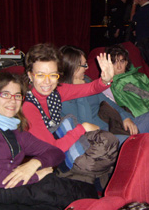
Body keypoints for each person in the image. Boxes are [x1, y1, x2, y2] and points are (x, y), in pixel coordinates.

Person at [0, 72, 97, 209]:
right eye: (5, 94)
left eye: (17, 96)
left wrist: (34, 164)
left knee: (59, 192)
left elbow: (56, 152)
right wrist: (34, 176)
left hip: (15, 189)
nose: (12, 101)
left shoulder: (16, 131)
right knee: (52, 188)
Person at [22, 43, 116, 175]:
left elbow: (91, 88)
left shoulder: (55, 91)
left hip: (54, 152)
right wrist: (82, 128)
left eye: (53, 75)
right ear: (30, 76)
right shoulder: (28, 107)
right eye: (41, 75)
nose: (47, 82)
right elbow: (52, 149)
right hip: (36, 164)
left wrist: (105, 80)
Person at [59, 45, 149, 145]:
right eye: (84, 65)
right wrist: (79, 92)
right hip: (102, 137)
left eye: (122, 61)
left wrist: (125, 117)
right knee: (137, 143)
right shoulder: (63, 98)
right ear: (73, 67)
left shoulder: (86, 80)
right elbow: (87, 126)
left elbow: (107, 101)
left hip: (115, 124)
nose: (87, 67)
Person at [105, 44, 149, 119]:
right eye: (114, 62)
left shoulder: (140, 76)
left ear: (126, 62)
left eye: (121, 61)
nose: (119, 66)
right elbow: (139, 110)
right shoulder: (118, 85)